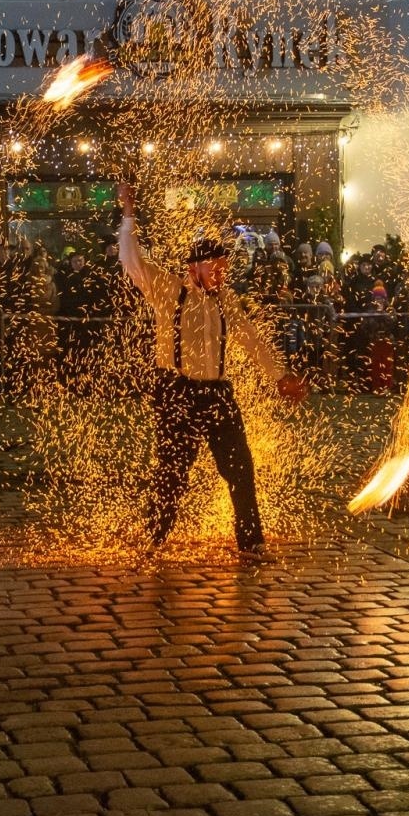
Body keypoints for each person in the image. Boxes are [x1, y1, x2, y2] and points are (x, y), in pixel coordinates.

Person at [117, 183, 307, 558]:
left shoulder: (227, 301)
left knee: (241, 468)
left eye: (224, 267)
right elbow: (132, 260)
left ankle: (251, 541)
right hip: (176, 390)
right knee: (172, 472)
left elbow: (251, 339)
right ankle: (153, 538)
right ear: (194, 268)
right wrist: (128, 214)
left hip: (218, 393)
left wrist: (279, 376)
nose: (221, 273)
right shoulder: (169, 290)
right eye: (214, 267)